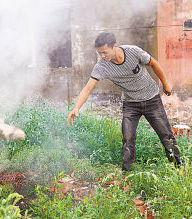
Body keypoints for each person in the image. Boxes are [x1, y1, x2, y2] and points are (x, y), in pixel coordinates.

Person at [67, 32, 182, 171]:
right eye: (99, 53)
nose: (102, 56)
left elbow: (153, 63)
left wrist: (165, 83)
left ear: (114, 46)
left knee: (166, 136)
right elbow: (88, 87)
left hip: (151, 99)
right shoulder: (102, 66)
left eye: (104, 52)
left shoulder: (133, 51)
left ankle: (179, 168)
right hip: (130, 103)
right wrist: (76, 107)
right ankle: (127, 174)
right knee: (128, 139)